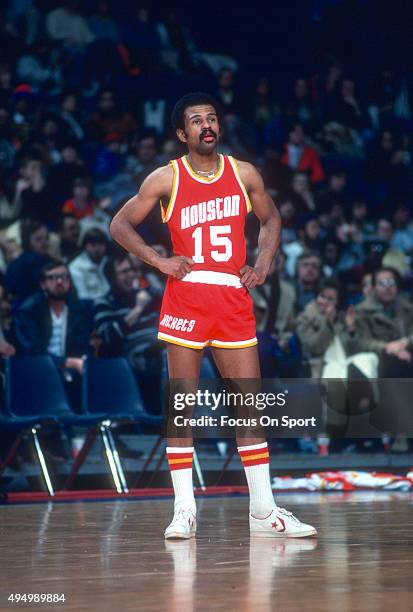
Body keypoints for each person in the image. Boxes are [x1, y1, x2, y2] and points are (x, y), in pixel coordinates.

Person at [110, 92, 317, 539]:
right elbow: (119, 225)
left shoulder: (244, 173)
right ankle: (184, 509)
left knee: (249, 408)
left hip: (232, 297)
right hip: (187, 296)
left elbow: (272, 219)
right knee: (183, 405)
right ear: (182, 134)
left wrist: (262, 264)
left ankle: (264, 511)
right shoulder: (166, 178)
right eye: (196, 120)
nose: (206, 125)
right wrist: (158, 260)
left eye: (212, 118)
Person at [69, 228, 109, 300]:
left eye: (101, 244)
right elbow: (82, 296)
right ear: (85, 246)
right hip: (89, 305)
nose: (97, 248)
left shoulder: (108, 262)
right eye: (93, 245)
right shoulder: (76, 267)